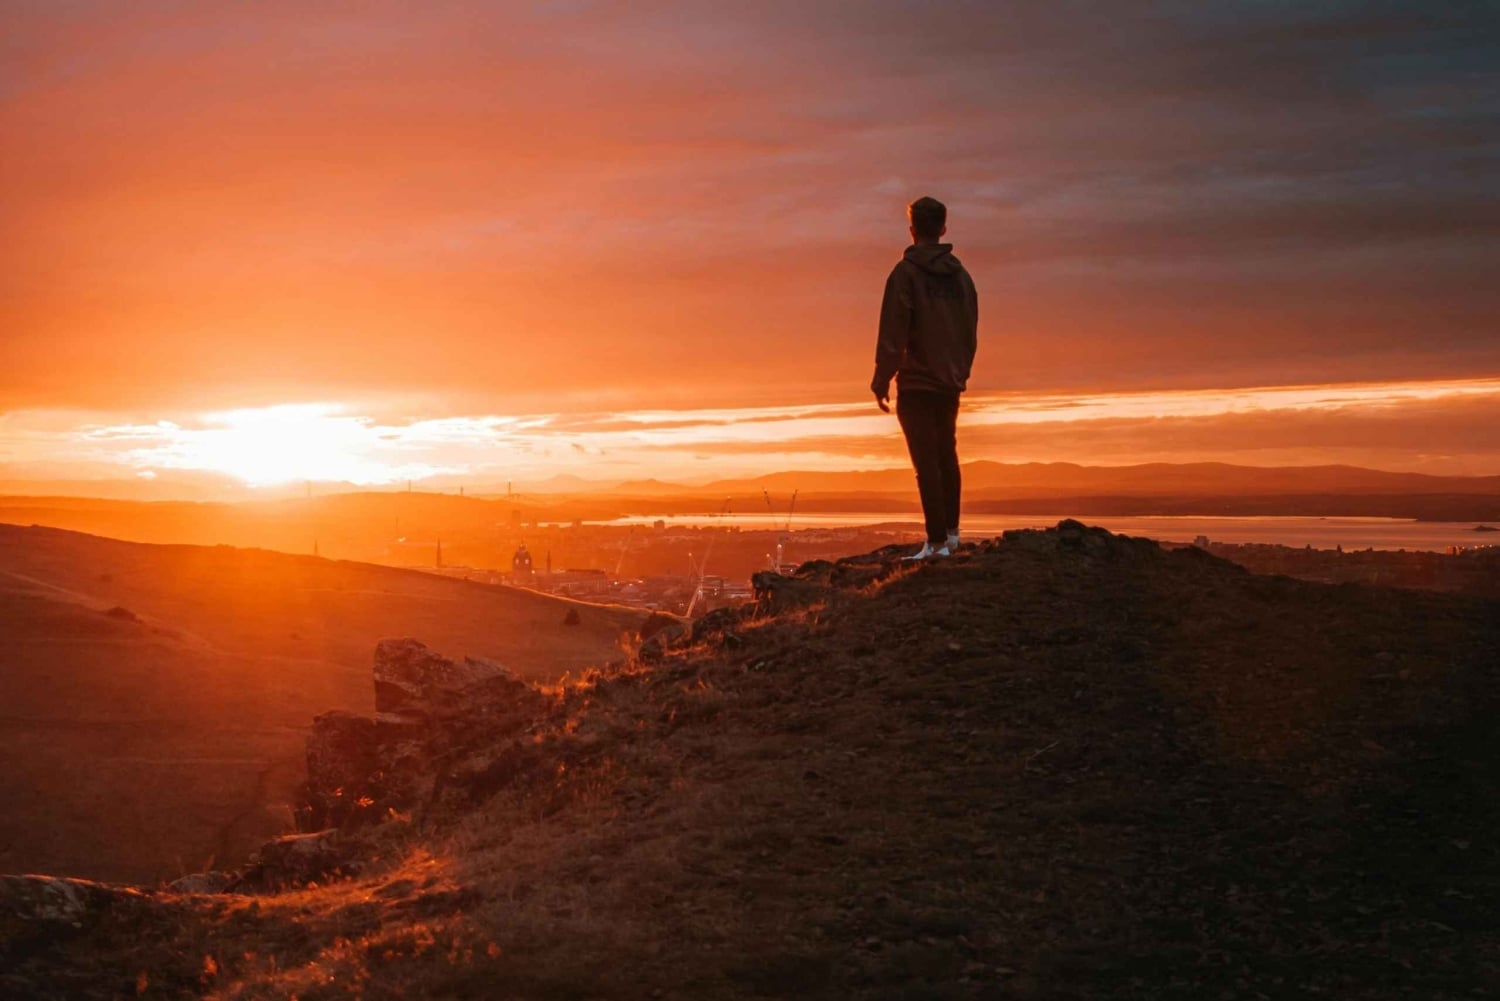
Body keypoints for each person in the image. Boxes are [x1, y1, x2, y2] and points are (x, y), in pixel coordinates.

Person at [871, 195, 979, 559]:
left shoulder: (905, 274)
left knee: (926, 462)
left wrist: (881, 378)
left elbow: (893, 331)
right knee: (947, 453)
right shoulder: (962, 278)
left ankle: (935, 543)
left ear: (912, 229)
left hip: (917, 380)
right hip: (949, 380)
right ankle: (951, 535)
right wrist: (960, 370)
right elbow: (970, 328)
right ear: (943, 229)